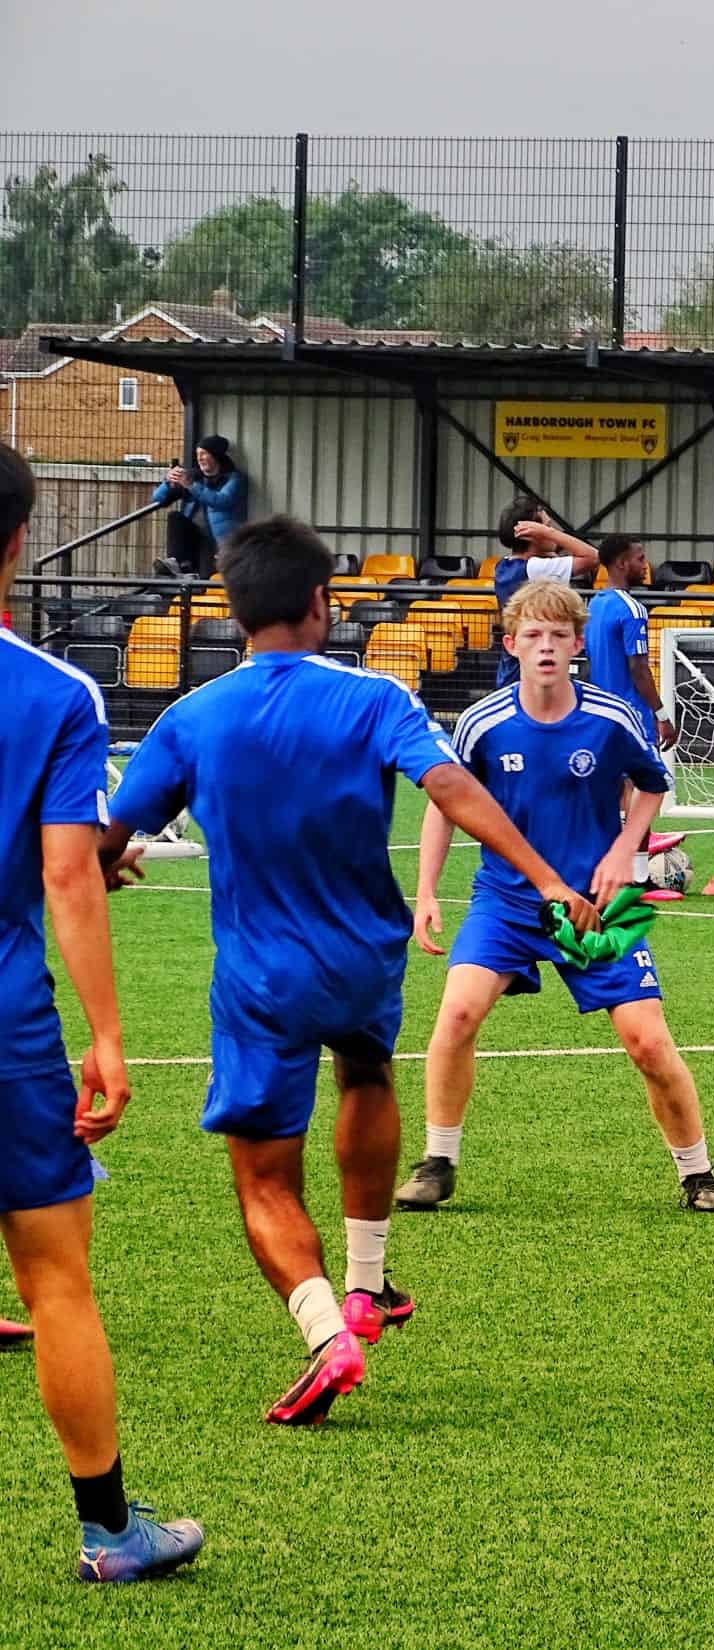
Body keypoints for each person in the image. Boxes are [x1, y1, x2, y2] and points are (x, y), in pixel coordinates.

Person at [101, 516, 599, 1426]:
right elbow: (449, 788)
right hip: (363, 959)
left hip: (260, 978)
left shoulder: (191, 717)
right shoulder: (378, 698)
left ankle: (330, 1330)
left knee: (263, 1180)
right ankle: (367, 1282)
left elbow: (105, 839)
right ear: (322, 603)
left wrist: (110, 858)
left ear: (235, 609)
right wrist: (547, 879)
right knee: (367, 1073)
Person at [0, 442, 204, 1580]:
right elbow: (72, 874)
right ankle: (109, 1531)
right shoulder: (53, 693)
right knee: (57, 1281)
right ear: (21, 541)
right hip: (7, 1030)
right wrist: (111, 1038)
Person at [396, 581, 714, 1215]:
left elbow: (651, 787)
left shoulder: (613, 717)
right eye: (533, 635)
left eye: (558, 635)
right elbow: (445, 804)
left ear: (578, 644)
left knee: (649, 1044)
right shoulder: (481, 722)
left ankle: (700, 1174)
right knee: (457, 1016)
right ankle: (437, 1162)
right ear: (511, 644)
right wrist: (425, 892)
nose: (545, 646)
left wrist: (623, 854)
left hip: (597, 908)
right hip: (505, 902)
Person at [582, 534, 684, 884]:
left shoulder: (595, 605)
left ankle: (607, 869)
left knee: (613, 793)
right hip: (629, 714)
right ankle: (638, 878)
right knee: (644, 790)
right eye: (641, 558)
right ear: (623, 563)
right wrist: (661, 714)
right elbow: (638, 668)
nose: (646, 565)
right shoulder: (631, 608)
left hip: (598, 711)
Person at [492, 493, 600, 688]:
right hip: (524, 673)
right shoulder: (534, 569)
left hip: (512, 666)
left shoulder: (505, 566)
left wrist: (545, 536)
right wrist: (548, 534)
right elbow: (592, 557)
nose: (553, 532)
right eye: (548, 527)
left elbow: (552, 554)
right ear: (532, 536)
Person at [150, 435, 247, 577]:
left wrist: (191, 486)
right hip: (193, 536)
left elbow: (222, 501)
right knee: (175, 517)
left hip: (217, 543)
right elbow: (158, 499)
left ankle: (186, 571)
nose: (199, 458)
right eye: (197, 454)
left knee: (206, 581)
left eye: (204, 454)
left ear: (216, 456)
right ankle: (177, 563)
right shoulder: (194, 477)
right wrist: (168, 481)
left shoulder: (234, 479)